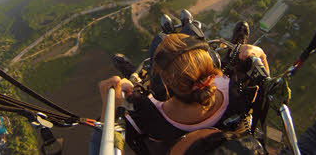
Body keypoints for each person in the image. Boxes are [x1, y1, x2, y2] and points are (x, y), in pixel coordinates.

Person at [93, 33, 267, 154]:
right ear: (212, 63)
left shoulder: (146, 115)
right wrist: (259, 55)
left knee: (135, 88)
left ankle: (132, 75)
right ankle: (237, 44)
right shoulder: (236, 88)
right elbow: (266, 85)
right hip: (235, 129)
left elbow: (107, 140)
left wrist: (110, 104)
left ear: (163, 85)